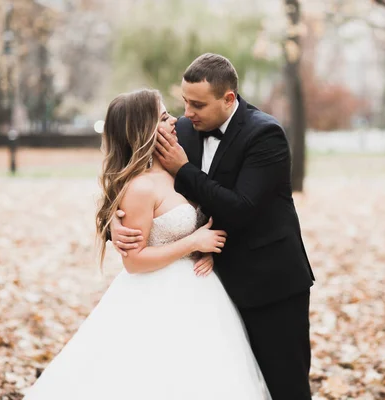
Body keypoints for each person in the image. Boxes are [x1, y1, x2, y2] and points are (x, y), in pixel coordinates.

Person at [23, 88, 271, 400]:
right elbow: (133, 261)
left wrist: (204, 250)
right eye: (166, 117)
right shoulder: (139, 188)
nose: (176, 121)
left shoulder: (174, 167)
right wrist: (193, 241)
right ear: (144, 130)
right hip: (156, 294)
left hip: (200, 293)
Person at [112, 54, 315, 400]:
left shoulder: (265, 135)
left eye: (197, 105)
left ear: (228, 99)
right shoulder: (183, 132)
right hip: (204, 291)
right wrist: (117, 227)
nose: (186, 113)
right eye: (184, 102)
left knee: (284, 387)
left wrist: (184, 168)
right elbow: (138, 184)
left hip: (268, 285)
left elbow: (241, 209)